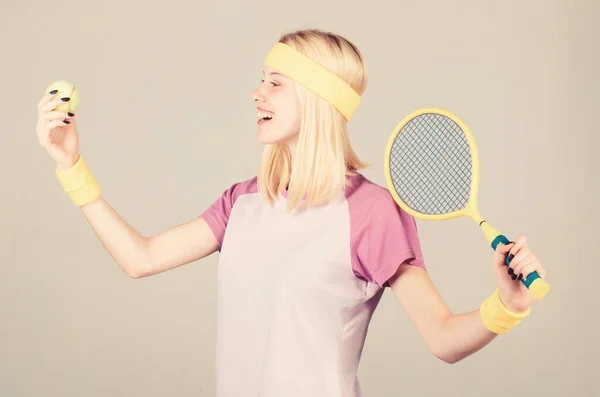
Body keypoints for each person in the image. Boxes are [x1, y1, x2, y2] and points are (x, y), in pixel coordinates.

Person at [35, 29, 548, 397]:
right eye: (263, 80)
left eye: (276, 82)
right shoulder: (243, 201)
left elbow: (442, 338)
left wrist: (508, 304)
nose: (257, 93)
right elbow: (139, 258)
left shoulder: (372, 211)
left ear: (319, 98)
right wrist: (71, 165)